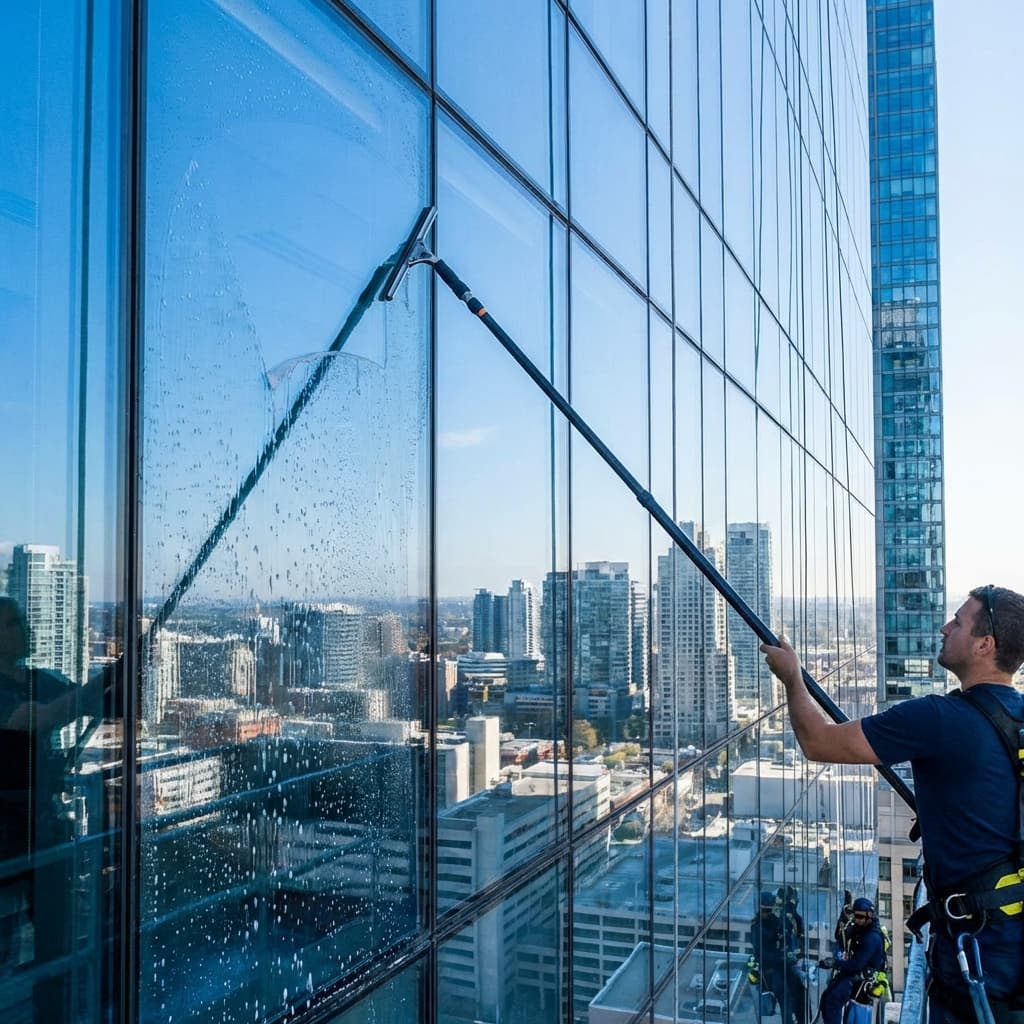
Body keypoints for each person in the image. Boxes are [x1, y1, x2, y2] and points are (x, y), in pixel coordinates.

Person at [761, 586, 1024, 1024]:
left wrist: (793, 677)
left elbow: (818, 741)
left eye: (957, 622)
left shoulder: (939, 719)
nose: (945, 627)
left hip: (974, 964)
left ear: (985, 644)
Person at [817, 897, 887, 1024]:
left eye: (861, 917)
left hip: (859, 978)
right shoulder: (861, 929)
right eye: (856, 916)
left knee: (832, 1000)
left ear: (869, 916)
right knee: (826, 998)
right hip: (853, 974)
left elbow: (857, 964)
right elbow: (841, 936)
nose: (857, 920)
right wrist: (843, 918)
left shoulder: (872, 937)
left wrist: (835, 963)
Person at [751, 889, 802, 1024]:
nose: (766, 914)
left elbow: (786, 927)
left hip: (782, 965)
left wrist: (790, 909)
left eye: (769, 910)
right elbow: (760, 954)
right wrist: (780, 957)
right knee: (785, 1000)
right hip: (771, 970)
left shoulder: (773, 920)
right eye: (764, 911)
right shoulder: (757, 927)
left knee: (793, 998)